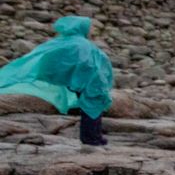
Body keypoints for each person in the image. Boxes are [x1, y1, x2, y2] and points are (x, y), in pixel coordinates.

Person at [0, 15, 114, 146]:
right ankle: (92, 138)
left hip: (76, 82)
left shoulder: (61, 42)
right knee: (92, 109)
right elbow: (92, 65)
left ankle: (92, 137)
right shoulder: (84, 45)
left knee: (88, 109)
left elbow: (42, 57)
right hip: (89, 82)